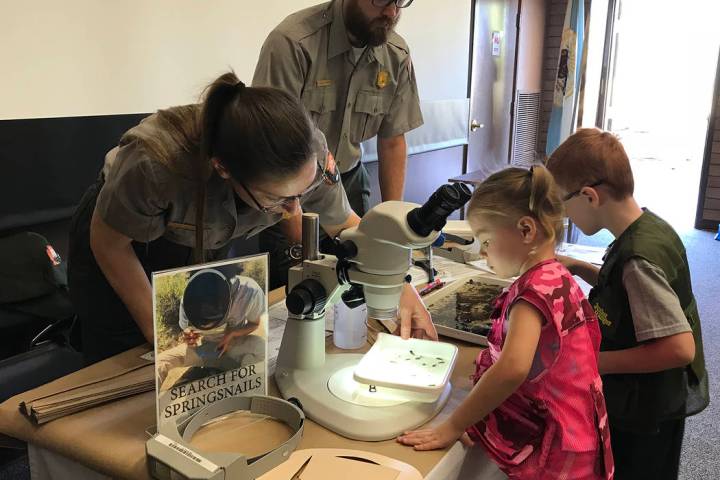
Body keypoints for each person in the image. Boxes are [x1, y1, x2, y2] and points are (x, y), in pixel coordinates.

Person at [68, 71, 434, 365]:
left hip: (201, 236)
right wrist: (161, 338)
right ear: (223, 169)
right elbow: (109, 243)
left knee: (206, 345)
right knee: (132, 361)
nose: (295, 209)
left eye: (300, 195)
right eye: (279, 198)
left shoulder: (306, 152)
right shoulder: (156, 165)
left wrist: (398, 284)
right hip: (125, 241)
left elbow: (346, 224)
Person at [397, 166, 614, 480]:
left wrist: (454, 424)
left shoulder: (532, 295)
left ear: (526, 231)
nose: (484, 254)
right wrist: (485, 420)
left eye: (485, 241)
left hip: (556, 458)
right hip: (576, 438)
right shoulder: (559, 277)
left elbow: (513, 369)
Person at [546, 128, 709, 480]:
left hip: (645, 412)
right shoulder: (648, 227)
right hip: (648, 401)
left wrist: (593, 362)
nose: (566, 214)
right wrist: (580, 268)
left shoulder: (638, 261)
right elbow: (628, 291)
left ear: (589, 197)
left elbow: (679, 348)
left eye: (563, 203)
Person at [252, 0, 424, 288]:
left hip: (350, 182)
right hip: (289, 192)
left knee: (360, 285)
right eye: (381, 0)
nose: (392, 13)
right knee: (298, 292)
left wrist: (393, 223)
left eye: (400, 1)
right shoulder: (293, 43)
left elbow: (392, 140)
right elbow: (272, 150)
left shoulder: (396, 54)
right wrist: (304, 247)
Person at [156, 268, 265, 387]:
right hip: (203, 347)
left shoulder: (250, 292)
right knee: (160, 362)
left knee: (260, 347)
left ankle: (220, 375)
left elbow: (255, 323)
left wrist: (232, 334)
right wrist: (188, 335)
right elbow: (186, 330)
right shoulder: (188, 301)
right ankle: (215, 369)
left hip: (233, 345)